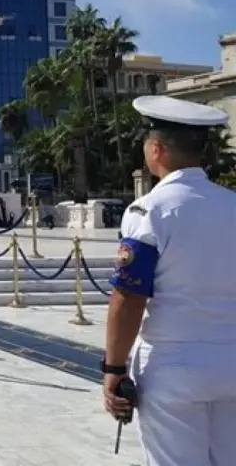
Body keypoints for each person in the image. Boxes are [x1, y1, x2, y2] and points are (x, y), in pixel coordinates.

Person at [101, 95, 236, 466]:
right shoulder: (232, 204)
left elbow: (129, 298)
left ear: (156, 149)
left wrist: (114, 369)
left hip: (174, 365)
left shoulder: (150, 210)